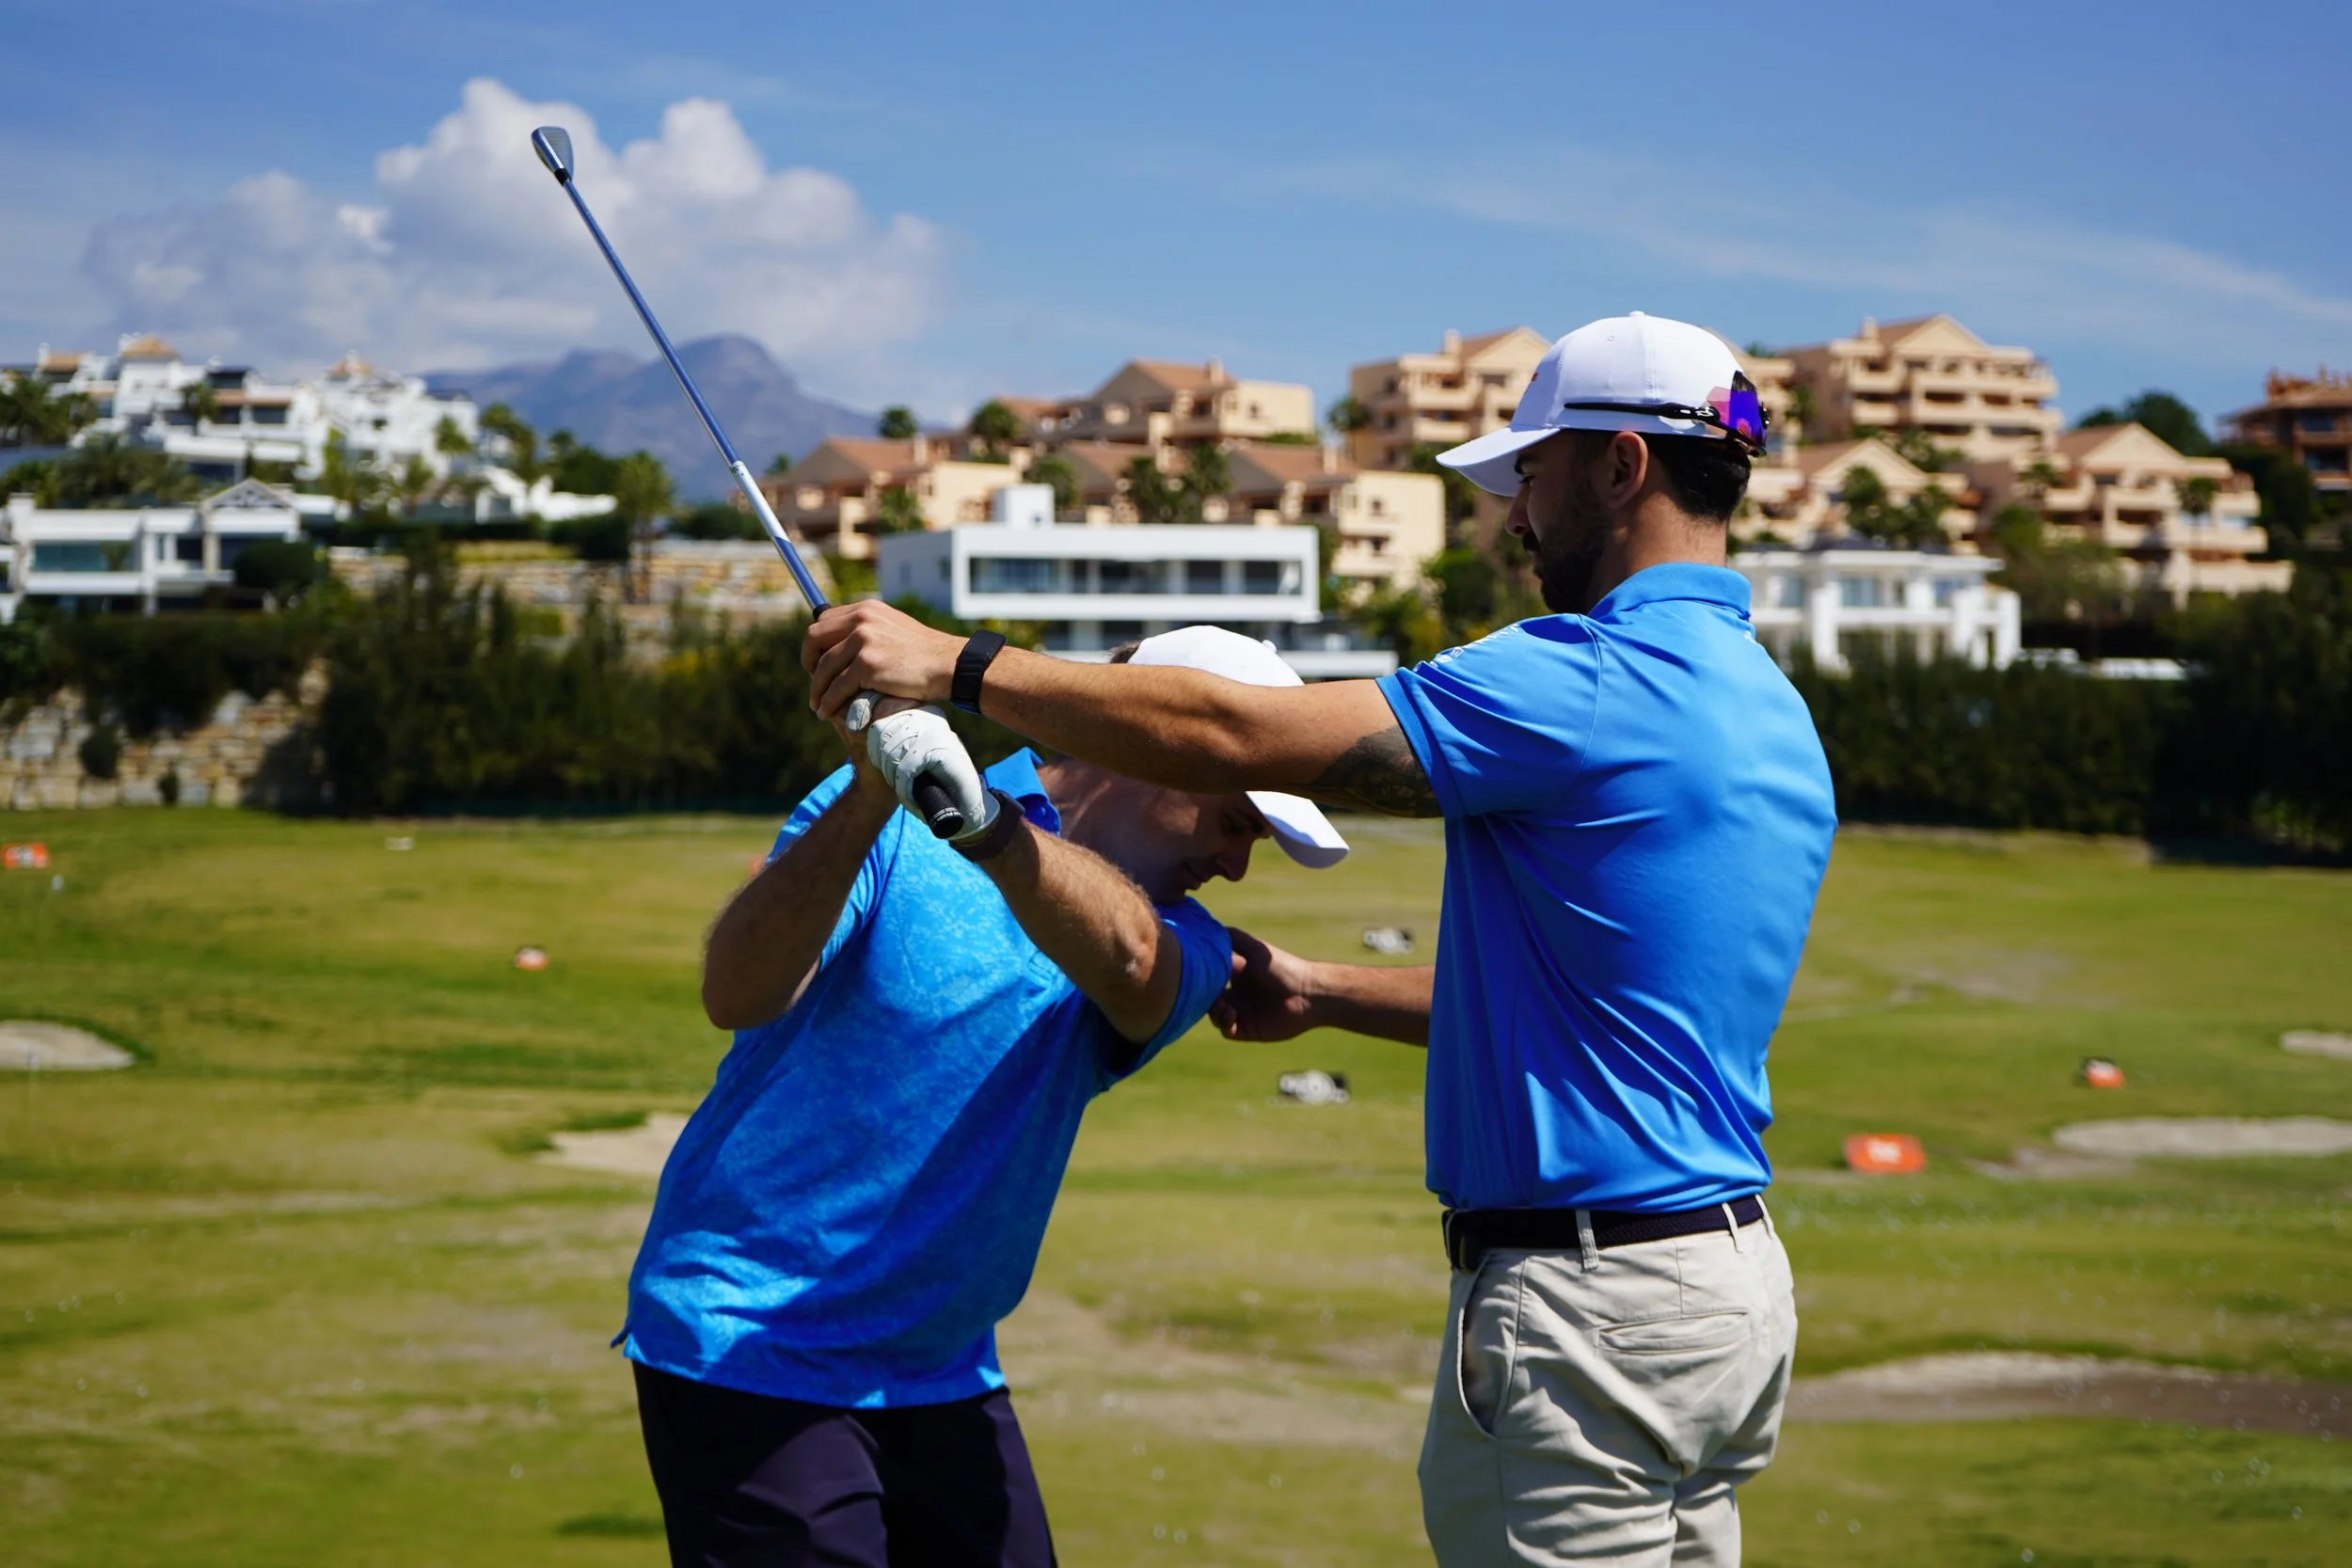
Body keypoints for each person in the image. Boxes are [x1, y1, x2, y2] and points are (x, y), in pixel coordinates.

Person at [800, 313, 1839, 1566]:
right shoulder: (1771, 712)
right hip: (1724, 1296)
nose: (1515, 513)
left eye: (1534, 472)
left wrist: (955, 664)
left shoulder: (1588, 677)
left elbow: (1233, 734)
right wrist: (1329, 990)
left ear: (1621, 467)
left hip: (1588, 1311)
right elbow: (1591, 1019)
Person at [622, 626, 1349, 1568]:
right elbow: (736, 992)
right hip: (753, 1335)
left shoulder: (1189, 942)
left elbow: (1129, 963)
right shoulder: (883, 816)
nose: (1239, 864)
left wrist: (987, 828)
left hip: (942, 1364)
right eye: (1236, 821)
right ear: (1157, 747)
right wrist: (867, 797)